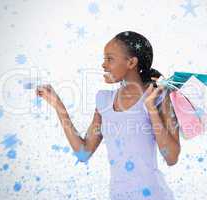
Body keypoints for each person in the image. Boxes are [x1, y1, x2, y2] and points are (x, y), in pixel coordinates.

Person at [36, 30, 180, 200]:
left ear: (131, 62)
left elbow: (171, 158)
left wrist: (151, 109)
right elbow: (83, 153)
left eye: (109, 59)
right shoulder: (103, 101)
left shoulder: (161, 97)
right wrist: (58, 106)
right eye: (104, 59)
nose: (103, 65)